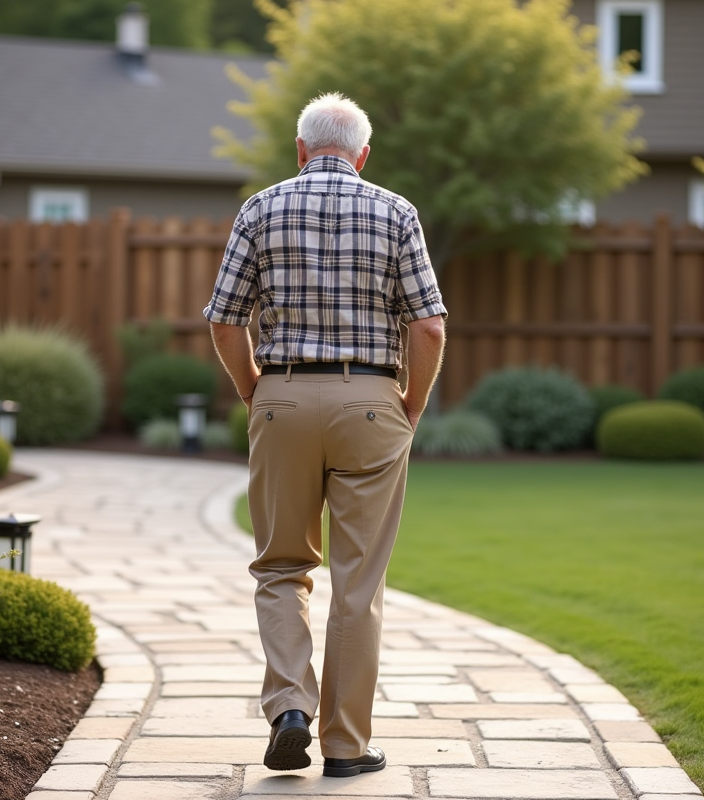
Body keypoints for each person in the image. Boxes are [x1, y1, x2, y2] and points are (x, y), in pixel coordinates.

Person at [204, 92, 447, 778]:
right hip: (372, 402)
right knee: (358, 584)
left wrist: (255, 387)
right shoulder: (397, 211)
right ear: (363, 154)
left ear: (301, 148)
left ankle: (288, 706)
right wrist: (412, 405)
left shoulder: (260, 208)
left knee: (282, 567)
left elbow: (224, 319)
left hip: (280, 394)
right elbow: (429, 326)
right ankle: (344, 746)